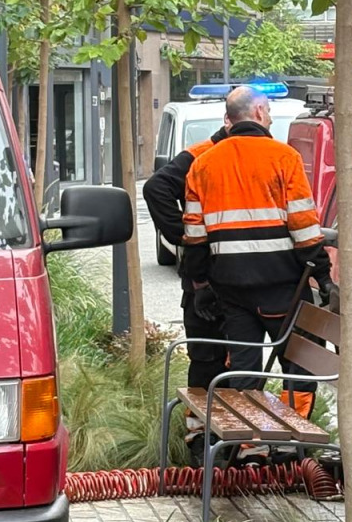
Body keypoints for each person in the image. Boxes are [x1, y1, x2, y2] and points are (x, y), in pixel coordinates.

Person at [182, 86, 331, 426]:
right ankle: (292, 438)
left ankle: (249, 443)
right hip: (282, 287)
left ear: (229, 119)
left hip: (231, 290)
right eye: (269, 112)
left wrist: (201, 283)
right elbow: (304, 227)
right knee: (299, 365)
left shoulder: (202, 165)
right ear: (260, 113)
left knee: (243, 367)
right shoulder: (284, 158)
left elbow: (194, 235)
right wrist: (322, 275)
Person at [143, 121, 229, 465]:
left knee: (216, 360)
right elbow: (156, 188)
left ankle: (218, 441)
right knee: (210, 359)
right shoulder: (203, 155)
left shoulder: (210, 155)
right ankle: (203, 438)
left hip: (211, 280)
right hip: (208, 281)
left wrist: (187, 236)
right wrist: (184, 235)